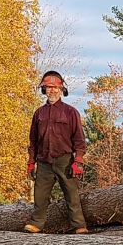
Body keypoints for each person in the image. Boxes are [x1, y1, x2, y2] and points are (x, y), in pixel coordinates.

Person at [25, 70, 88, 234]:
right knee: (39, 196)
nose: (51, 91)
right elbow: (33, 141)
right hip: (44, 162)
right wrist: (31, 162)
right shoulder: (39, 113)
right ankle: (37, 223)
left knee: (72, 195)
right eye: (48, 87)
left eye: (55, 88)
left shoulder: (71, 112)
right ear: (44, 90)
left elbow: (80, 140)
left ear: (61, 90)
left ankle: (79, 225)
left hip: (65, 160)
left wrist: (78, 160)